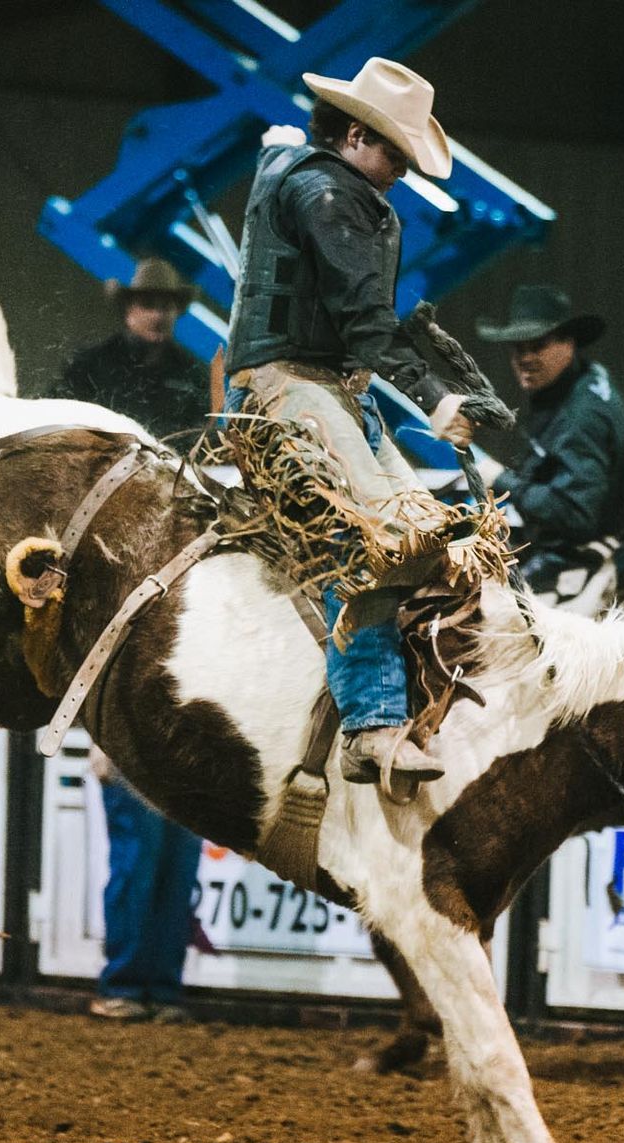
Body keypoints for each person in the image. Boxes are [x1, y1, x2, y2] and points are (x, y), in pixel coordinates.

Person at [224, 56, 483, 787]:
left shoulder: (308, 176)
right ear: (353, 135)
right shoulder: (328, 197)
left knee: (437, 542)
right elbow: (364, 316)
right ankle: (372, 724)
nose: (400, 169)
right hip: (288, 385)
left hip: (331, 386)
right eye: (394, 152)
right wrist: (433, 396)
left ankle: (412, 705)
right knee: (376, 540)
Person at [473, 283, 624, 596]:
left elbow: (575, 514)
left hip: (591, 549)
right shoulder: (589, 380)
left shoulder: (580, 415)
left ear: (568, 344)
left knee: (505, 614)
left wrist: (501, 479)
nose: (526, 357)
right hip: (619, 537)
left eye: (538, 346)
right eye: (518, 348)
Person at [87, 746, 202, 1022]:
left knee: (176, 878)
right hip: (134, 756)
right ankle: (124, 986)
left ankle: (160, 989)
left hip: (188, 765)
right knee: (137, 871)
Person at [49, 257, 213, 450]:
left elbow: (200, 442)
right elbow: (57, 421)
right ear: (129, 310)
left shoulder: (193, 375)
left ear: (177, 312)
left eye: (166, 306)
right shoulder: (89, 364)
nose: (157, 315)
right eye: (148, 305)